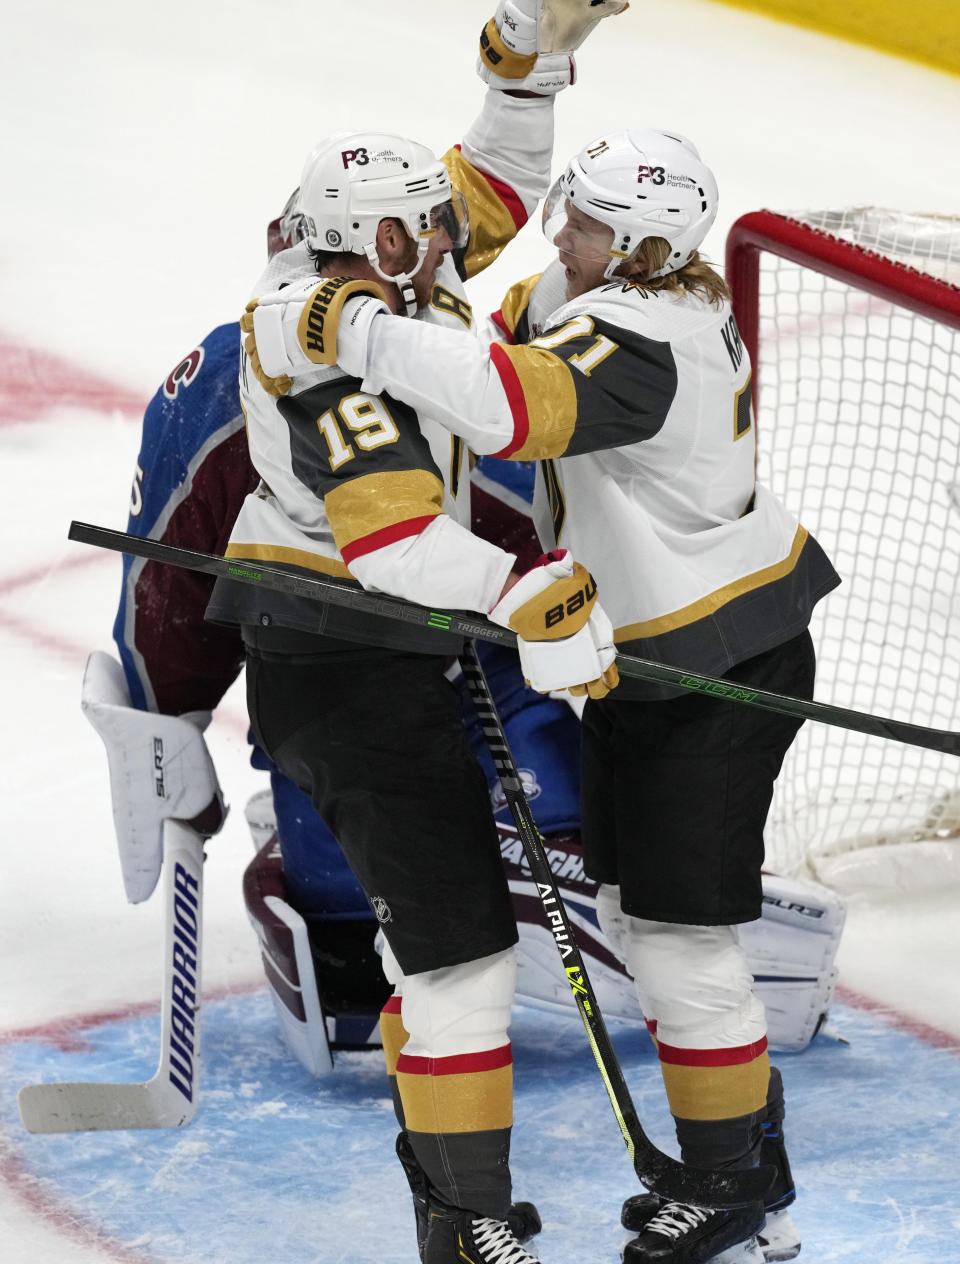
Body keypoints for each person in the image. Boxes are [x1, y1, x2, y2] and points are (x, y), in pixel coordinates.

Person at [242, 128, 842, 1264]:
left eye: (583, 223)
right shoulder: (602, 280)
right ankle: (711, 1170)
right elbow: (480, 289)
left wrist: (346, 321)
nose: (551, 232)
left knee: (672, 939)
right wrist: (523, 71)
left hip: (714, 664)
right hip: (620, 658)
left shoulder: (651, 333)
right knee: (622, 930)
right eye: (566, 211)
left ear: (646, 247)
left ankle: (737, 1179)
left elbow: (507, 405)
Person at [204, 6, 630, 1263]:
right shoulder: (323, 345)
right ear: (357, 241)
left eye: (431, 226)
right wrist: (533, 595)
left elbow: (497, 179)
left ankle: (459, 1199)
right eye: (419, 230)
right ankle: (465, 1219)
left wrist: (526, 55)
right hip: (336, 654)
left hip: (388, 641)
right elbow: (394, 542)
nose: (448, 241)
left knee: (457, 947)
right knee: (458, 955)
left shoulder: (375, 272)